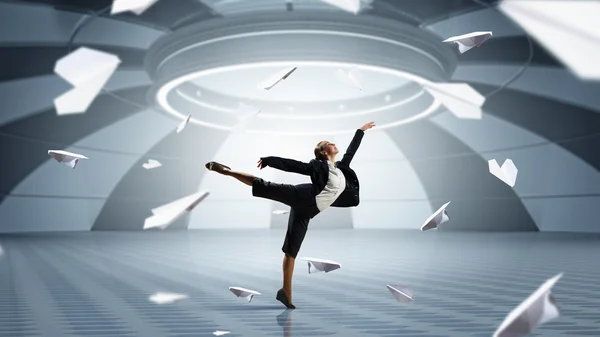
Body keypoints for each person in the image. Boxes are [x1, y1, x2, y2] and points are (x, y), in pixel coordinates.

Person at [205, 122, 375, 309]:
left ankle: (285, 292)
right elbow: (294, 166)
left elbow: (351, 150)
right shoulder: (317, 166)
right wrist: (270, 160)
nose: (333, 144)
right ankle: (227, 171)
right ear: (323, 152)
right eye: (328, 143)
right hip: (302, 195)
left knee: (291, 250)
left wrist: (360, 131)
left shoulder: (342, 168)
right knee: (264, 186)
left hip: (309, 211)